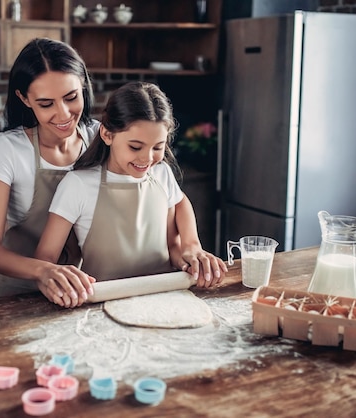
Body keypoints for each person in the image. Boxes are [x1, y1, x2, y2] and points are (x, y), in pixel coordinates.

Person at [0, 38, 203, 303]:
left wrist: (189, 244)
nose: (63, 114)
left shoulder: (101, 135)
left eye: (71, 97)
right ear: (24, 99)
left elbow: (171, 192)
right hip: (21, 289)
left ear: (83, 85)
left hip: (79, 287)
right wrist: (44, 270)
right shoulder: (9, 149)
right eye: (46, 104)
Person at [35, 81, 227, 308]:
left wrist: (192, 252)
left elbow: (175, 232)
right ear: (107, 134)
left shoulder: (162, 173)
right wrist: (55, 279)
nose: (147, 159)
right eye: (135, 147)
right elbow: (44, 259)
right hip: (101, 307)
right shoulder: (78, 185)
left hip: (165, 301)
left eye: (158, 147)